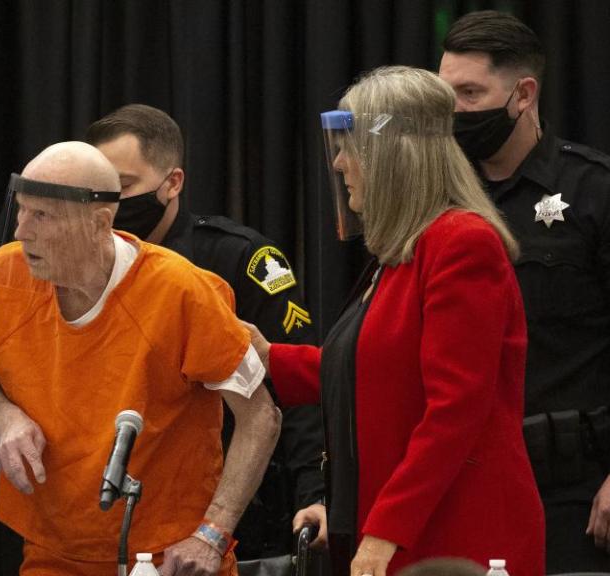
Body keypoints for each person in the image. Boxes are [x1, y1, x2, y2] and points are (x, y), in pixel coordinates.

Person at [245, 66, 544, 576]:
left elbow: (455, 411)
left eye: (350, 146)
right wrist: (265, 358)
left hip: (454, 537)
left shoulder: (460, 244)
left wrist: (386, 530)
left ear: (391, 156)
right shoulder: (404, 253)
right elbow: (371, 372)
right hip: (405, 531)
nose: (338, 163)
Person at [0, 141, 281, 576]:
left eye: (42, 216)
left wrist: (213, 533)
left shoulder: (180, 291)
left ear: (99, 222)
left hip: (169, 557)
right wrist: (7, 419)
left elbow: (262, 418)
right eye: (21, 210)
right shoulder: (2, 276)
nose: (21, 231)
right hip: (53, 552)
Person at [85, 104, 326, 559]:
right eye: (96, 191)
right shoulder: (83, 266)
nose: (107, 206)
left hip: (226, 510)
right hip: (109, 507)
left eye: (123, 188)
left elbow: (296, 385)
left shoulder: (238, 259)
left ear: (172, 183)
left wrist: (315, 492)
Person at [439, 11, 610, 572]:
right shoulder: (441, 202)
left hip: (574, 486)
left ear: (523, 95)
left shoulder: (592, 192)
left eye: (470, 93)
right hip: (464, 481)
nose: (455, 112)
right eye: (446, 95)